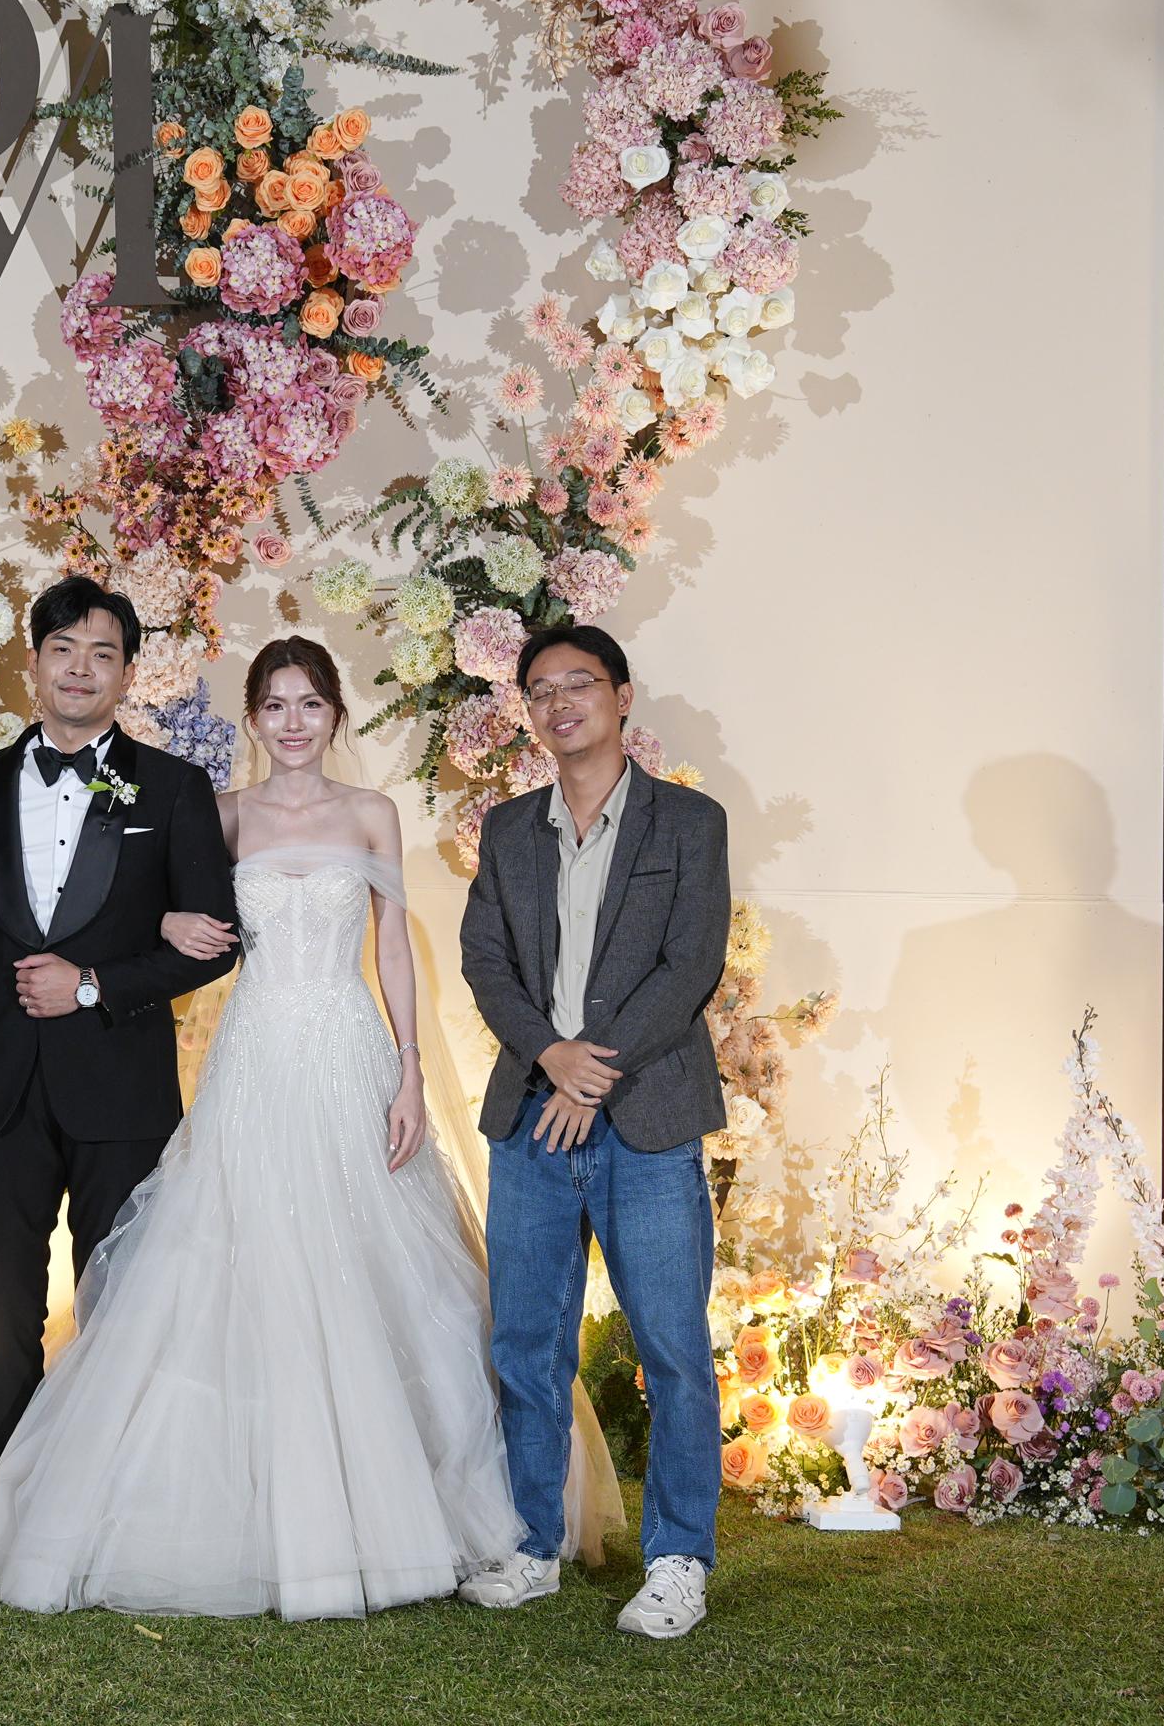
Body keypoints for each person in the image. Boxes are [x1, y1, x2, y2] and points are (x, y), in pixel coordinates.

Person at [0, 636, 522, 1618]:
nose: (293, 722)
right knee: (239, 1250)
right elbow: (143, 900)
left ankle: (391, 1503)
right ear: (253, 717)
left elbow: (394, 944)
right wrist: (164, 927)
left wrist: (408, 1069)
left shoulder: (372, 811)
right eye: (275, 705)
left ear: (336, 713)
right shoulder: (219, 812)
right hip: (256, 1048)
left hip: (348, 1046)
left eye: (311, 703)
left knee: (369, 1257)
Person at [0, 576, 239, 1537]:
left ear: (127, 672)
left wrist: (93, 984)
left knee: (118, 1304)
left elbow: (215, 941)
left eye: (102, 653)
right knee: (2, 1311)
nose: (80, 669)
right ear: (33, 664)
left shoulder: (173, 787)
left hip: (121, 1083)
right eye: (63, 649)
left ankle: (111, 1514)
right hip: (1, 1088)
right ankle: (5, 1514)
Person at [458, 622, 732, 1640]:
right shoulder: (509, 829)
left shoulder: (688, 822)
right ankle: (533, 1545)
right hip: (532, 1119)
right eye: (541, 689)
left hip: (646, 1120)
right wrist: (550, 1056)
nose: (560, 702)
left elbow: (690, 963)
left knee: (673, 1347)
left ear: (622, 696)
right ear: (527, 712)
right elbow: (485, 959)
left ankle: (677, 1560)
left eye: (579, 683)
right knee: (527, 1345)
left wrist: (591, 1070)